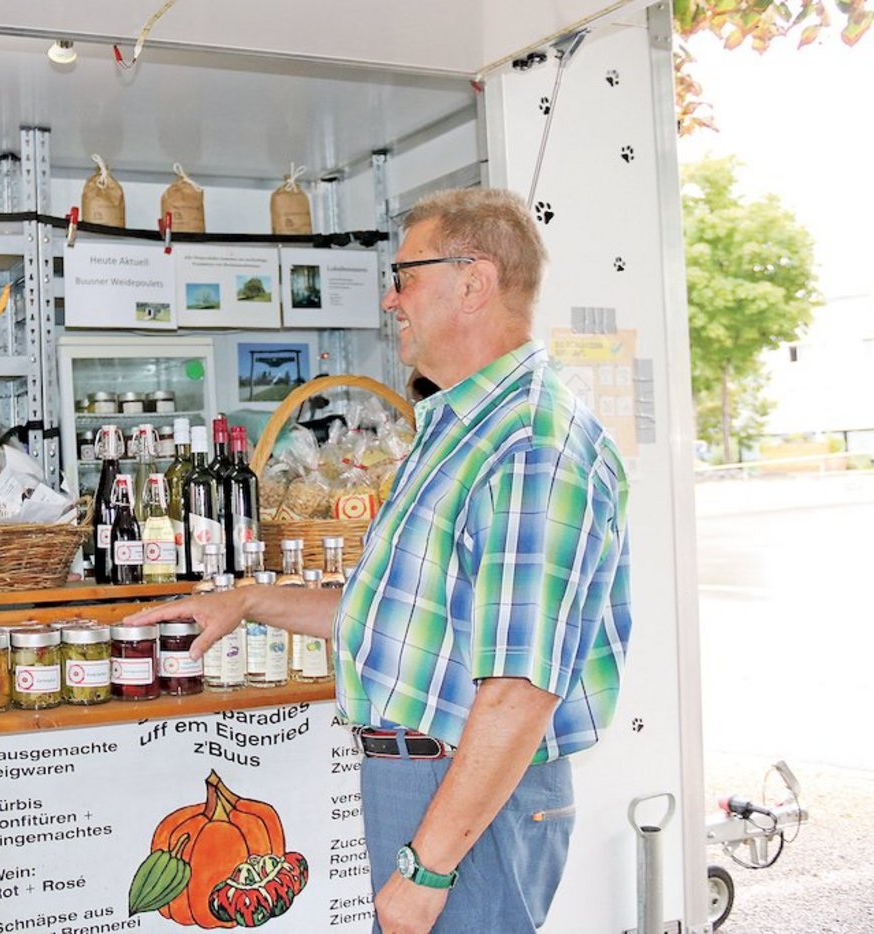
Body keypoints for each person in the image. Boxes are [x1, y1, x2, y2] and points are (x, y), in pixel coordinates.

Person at [127, 188, 631, 933]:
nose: (391, 300)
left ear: (474, 280)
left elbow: (521, 691)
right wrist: (245, 602)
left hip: (468, 793)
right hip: (428, 779)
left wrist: (429, 865)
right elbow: (406, 620)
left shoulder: (531, 444)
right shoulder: (458, 426)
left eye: (405, 276)